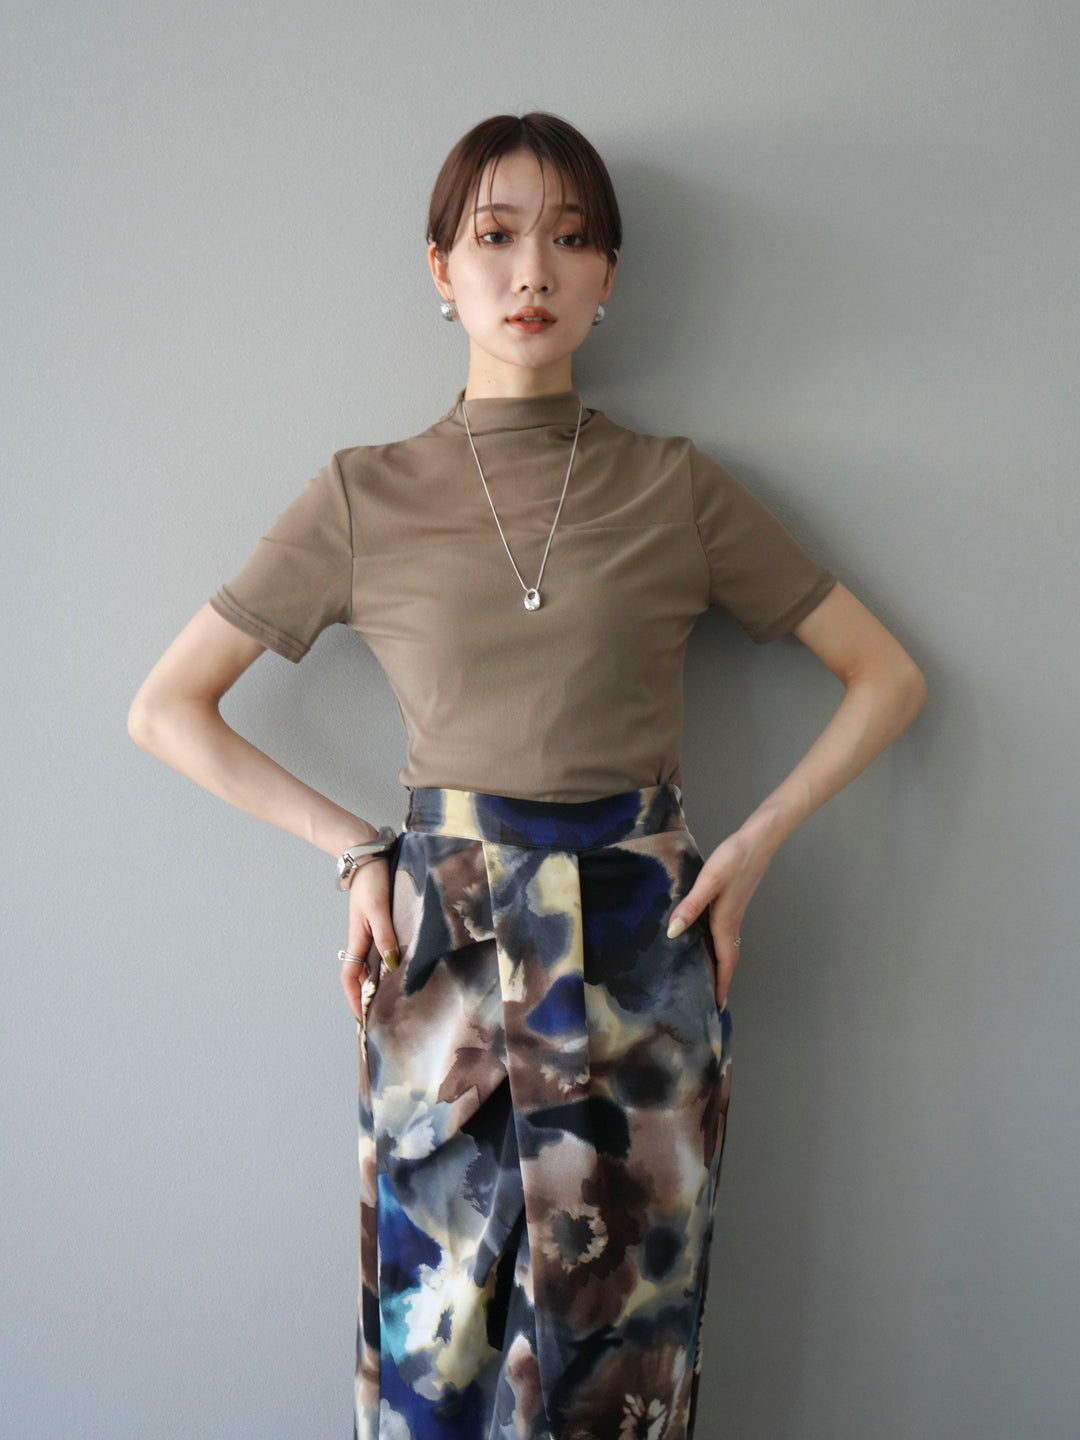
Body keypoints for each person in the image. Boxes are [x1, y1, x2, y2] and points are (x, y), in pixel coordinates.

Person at [128, 112, 927, 1440]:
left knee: (624, 1359)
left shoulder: (675, 487)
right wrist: (357, 850)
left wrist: (752, 849)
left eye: (570, 238)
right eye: (495, 236)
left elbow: (886, 678)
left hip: (642, 952)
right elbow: (168, 710)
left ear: (609, 274)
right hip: (445, 954)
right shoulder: (365, 495)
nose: (532, 272)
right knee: (434, 1348)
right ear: (440, 268)